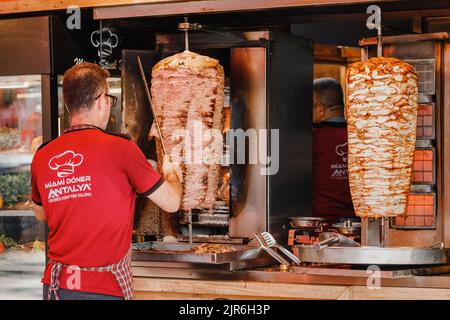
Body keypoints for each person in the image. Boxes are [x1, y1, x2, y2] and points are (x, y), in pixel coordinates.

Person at [31, 62, 183, 300]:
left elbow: (41, 214)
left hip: (56, 286)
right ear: (101, 100)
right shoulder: (121, 149)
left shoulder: (43, 154)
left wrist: (72, 194)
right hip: (102, 289)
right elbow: (172, 203)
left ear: (69, 104)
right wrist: (171, 172)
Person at [312, 77, 355, 224]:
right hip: (357, 222)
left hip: (322, 224)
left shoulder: (312, 138)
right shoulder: (360, 135)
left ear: (320, 108)